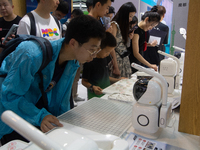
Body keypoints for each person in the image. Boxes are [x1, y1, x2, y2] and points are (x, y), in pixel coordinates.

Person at [0, 15, 105, 145]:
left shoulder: (72, 62)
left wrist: (68, 124)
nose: (94, 56)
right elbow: (9, 95)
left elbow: (62, 101)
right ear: (73, 43)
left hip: (38, 120)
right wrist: (40, 116)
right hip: (14, 119)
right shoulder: (31, 54)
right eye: (92, 50)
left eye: (97, 50)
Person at [82, 32, 124, 99]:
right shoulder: (89, 61)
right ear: (99, 48)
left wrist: (118, 80)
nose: (108, 54)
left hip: (106, 94)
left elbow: (105, 77)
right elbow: (84, 81)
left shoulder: (105, 58)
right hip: (94, 97)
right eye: (107, 51)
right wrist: (92, 87)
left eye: (110, 52)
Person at [128, 8, 161, 73]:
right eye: (152, 25)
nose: (151, 28)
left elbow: (139, 43)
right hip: (133, 62)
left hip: (139, 62)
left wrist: (150, 44)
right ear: (146, 20)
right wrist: (150, 65)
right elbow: (136, 53)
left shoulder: (143, 30)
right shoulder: (136, 31)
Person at [109, 2, 136, 78]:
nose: (131, 19)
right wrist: (115, 66)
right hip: (117, 60)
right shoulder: (114, 25)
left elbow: (125, 45)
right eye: (130, 16)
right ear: (124, 14)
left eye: (132, 16)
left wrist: (129, 38)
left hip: (124, 59)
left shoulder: (124, 26)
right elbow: (111, 47)